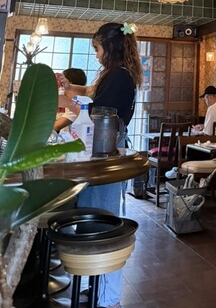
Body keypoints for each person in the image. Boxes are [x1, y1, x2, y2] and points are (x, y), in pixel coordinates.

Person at [59, 22, 142, 308]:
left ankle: (107, 298)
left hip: (106, 155)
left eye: (97, 48)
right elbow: (94, 93)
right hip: (105, 153)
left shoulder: (119, 76)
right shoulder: (118, 74)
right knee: (96, 220)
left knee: (103, 224)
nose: (96, 54)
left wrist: (70, 101)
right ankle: (97, 290)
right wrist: (72, 89)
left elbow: (98, 111)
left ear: (110, 47)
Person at [54, 68, 87, 132]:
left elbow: (57, 126)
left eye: (61, 81)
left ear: (70, 83)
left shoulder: (78, 103)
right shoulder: (68, 100)